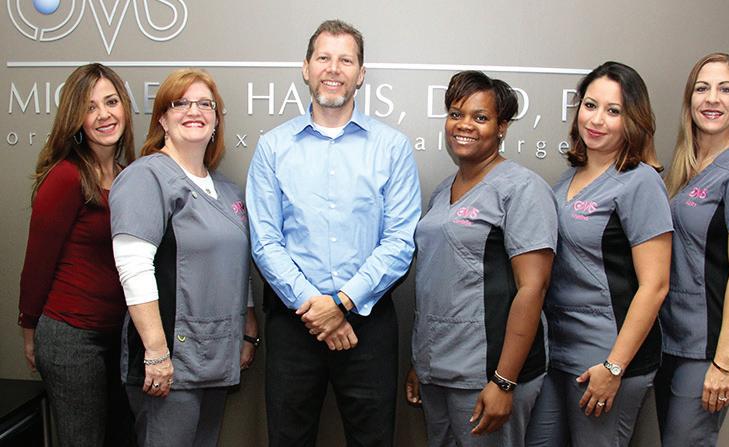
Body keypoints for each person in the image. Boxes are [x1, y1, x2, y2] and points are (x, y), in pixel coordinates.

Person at [246, 19, 421, 447]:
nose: (333, 69)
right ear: (305, 68)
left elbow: (400, 241)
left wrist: (342, 303)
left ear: (361, 74)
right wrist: (314, 307)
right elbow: (265, 241)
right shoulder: (273, 147)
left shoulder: (392, 147)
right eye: (323, 57)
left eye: (346, 60)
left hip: (368, 323)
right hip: (293, 324)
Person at [405, 70, 557, 446]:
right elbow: (437, 281)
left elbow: (533, 288)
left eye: (480, 117)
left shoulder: (522, 188)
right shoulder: (443, 191)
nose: (464, 125)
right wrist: (422, 363)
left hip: (486, 373)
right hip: (438, 370)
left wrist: (504, 381)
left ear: (502, 127)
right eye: (456, 114)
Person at [526, 61, 673, 447]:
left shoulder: (640, 182)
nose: (596, 120)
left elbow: (655, 285)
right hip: (558, 352)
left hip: (605, 358)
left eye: (613, 111)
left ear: (632, 120)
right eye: (590, 105)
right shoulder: (567, 179)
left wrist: (614, 366)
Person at [109, 68, 258, 447]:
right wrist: (156, 353)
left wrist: (247, 329)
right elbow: (134, 270)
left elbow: (237, 266)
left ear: (217, 119)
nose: (194, 111)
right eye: (181, 103)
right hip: (169, 361)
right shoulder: (146, 178)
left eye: (205, 104)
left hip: (217, 355)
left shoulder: (227, 190)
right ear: (162, 118)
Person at [18, 63, 136, 446]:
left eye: (111, 102)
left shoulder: (129, 175)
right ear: (76, 119)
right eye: (90, 107)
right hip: (71, 338)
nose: (104, 115)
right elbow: (37, 263)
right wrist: (30, 331)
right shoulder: (67, 176)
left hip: (119, 335)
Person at [655, 53, 729, 447]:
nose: (712, 98)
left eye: (725, 89)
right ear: (689, 101)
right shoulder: (684, 170)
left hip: (709, 348)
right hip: (671, 341)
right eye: (702, 88)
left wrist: (724, 362)